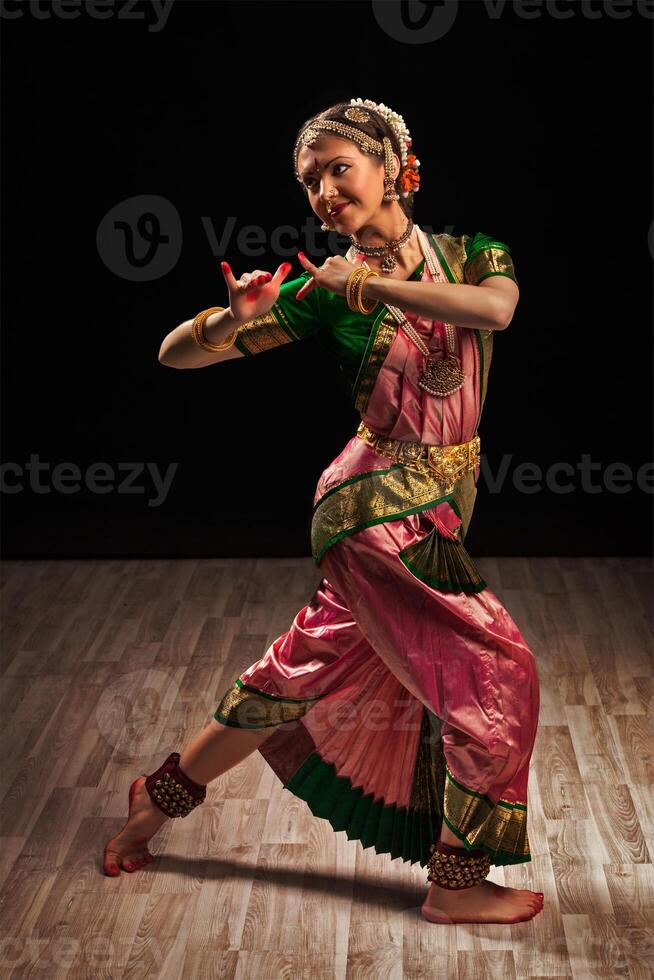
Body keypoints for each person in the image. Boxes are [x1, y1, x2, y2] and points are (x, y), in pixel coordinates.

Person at [103, 98, 543, 926]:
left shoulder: (470, 253)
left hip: (431, 509)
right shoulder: (321, 293)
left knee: (299, 673)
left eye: (341, 167)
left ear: (392, 164)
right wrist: (229, 323)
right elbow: (174, 356)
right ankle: (455, 883)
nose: (325, 190)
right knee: (499, 674)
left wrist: (370, 284)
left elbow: (496, 310)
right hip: (375, 512)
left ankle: (154, 802)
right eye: (310, 180)